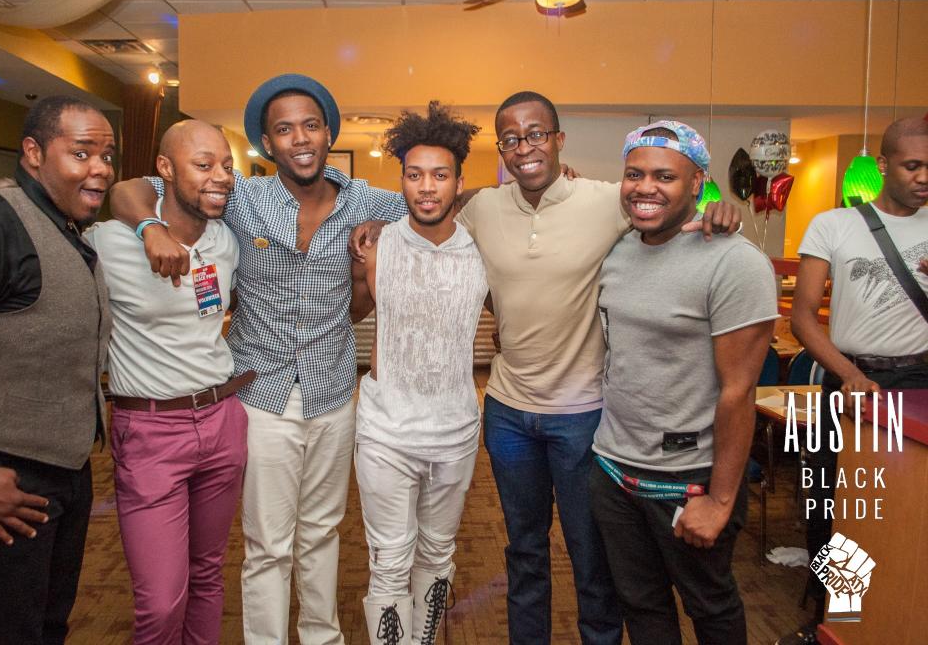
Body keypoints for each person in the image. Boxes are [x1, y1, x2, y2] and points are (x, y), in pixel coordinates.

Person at [352, 92, 741, 645]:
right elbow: (431, 207)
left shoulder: (607, 200)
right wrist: (374, 222)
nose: (524, 147)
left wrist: (719, 211)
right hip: (508, 414)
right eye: (511, 139)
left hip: (583, 417)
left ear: (559, 140)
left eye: (537, 134)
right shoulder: (483, 208)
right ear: (501, 151)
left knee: (591, 557)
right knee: (525, 553)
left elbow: (662, 202)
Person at [108, 74, 408, 645]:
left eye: (311, 125)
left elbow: (436, 204)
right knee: (268, 543)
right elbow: (130, 189)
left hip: (331, 392)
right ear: (267, 144)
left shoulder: (371, 201)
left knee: (321, 532)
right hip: (259, 395)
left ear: (328, 133)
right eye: (284, 129)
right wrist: (149, 228)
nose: (300, 138)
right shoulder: (240, 196)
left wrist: (385, 226)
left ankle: (322, 637)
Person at [0, 95, 115, 644]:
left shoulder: (62, 225)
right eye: (81, 153)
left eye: (107, 155)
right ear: (33, 152)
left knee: (43, 627)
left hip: (59, 473)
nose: (100, 168)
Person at [589, 120, 778, 645]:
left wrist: (719, 501)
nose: (645, 187)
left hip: (688, 477)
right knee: (642, 606)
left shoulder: (734, 262)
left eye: (665, 176)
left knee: (710, 607)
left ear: (697, 183)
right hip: (613, 468)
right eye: (634, 173)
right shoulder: (621, 249)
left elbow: (740, 392)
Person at [86, 120, 255, 644]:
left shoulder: (227, 240)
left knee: (207, 577)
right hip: (151, 430)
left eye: (226, 165)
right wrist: (147, 228)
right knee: (160, 601)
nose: (220, 176)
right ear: (164, 169)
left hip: (223, 422)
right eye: (203, 165)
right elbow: (121, 192)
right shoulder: (108, 242)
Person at [778, 116, 928, 645]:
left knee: (905, 509)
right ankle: (835, 621)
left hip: (920, 382)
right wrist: (851, 376)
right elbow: (801, 321)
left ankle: (892, 620)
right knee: (835, 502)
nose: (924, 177)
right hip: (846, 378)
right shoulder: (834, 224)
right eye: (912, 165)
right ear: (883, 165)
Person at [349, 102, 488, 645]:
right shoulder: (376, 244)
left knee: (438, 555)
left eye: (440, 174)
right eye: (414, 174)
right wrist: (360, 257)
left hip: (455, 431)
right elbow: (355, 311)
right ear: (400, 179)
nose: (427, 187)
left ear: (459, 179)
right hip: (385, 432)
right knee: (389, 563)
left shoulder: (482, 245)